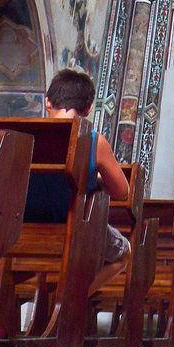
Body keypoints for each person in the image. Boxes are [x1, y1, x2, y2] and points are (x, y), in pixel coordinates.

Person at [45, 69, 131, 294]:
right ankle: (70, 299)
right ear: (88, 109)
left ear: (47, 102)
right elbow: (122, 192)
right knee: (124, 253)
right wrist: (98, 177)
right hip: (75, 228)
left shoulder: (25, 134)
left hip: (23, 224)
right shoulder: (93, 141)